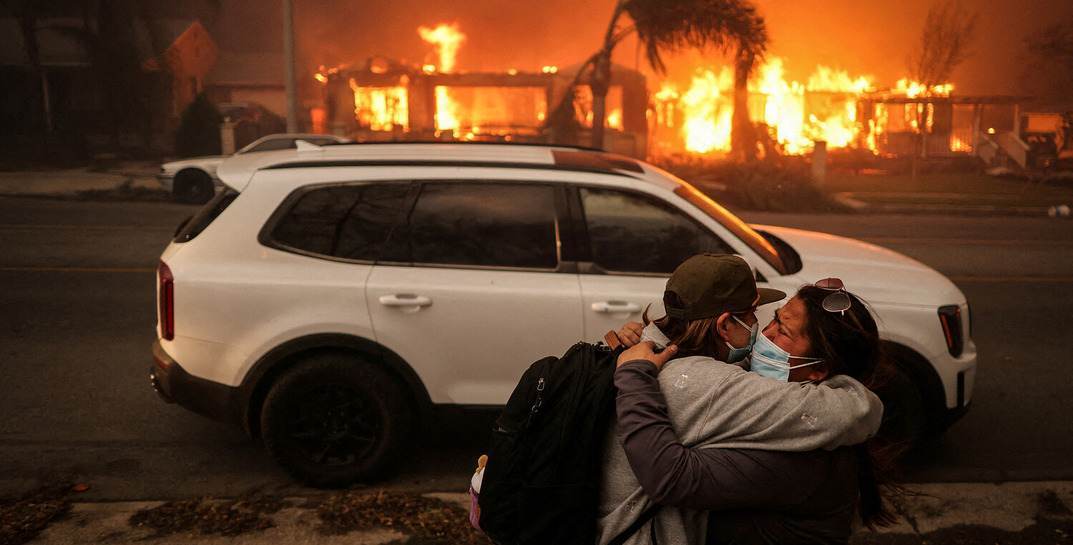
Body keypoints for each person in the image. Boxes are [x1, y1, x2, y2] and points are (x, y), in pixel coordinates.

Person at [595, 255, 884, 545]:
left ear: (821, 369)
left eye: (781, 330)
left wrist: (637, 362)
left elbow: (674, 476)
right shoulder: (725, 385)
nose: (763, 333)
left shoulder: (807, 457)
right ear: (723, 327)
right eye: (767, 318)